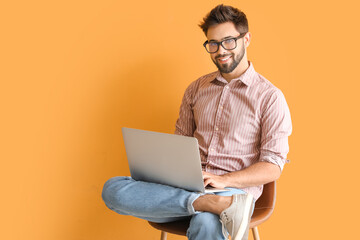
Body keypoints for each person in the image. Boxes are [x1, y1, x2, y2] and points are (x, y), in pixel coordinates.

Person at [102, 4, 292, 240]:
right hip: (187, 186)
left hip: (233, 190)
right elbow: (179, 144)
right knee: (113, 190)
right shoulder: (196, 89)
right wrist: (164, 172)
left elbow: (273, 165)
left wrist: (223, 180)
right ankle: (209, 203)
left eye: (229, 41)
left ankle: (220, 204)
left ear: (247, 39)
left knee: (206, 223)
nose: (221, 50)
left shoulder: (270, 97)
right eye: (213, 44)